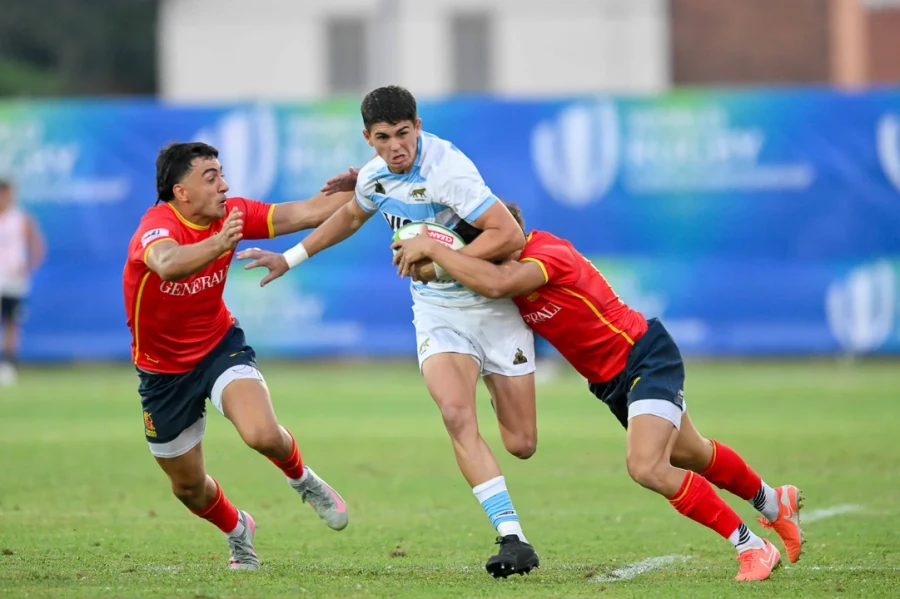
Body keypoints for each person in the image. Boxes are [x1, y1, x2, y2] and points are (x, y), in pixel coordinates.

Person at [390, 205, 804, 582]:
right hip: (611, 383)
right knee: (691, 452)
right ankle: (773, 500)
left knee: (647, 466)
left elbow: (497, 283)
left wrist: (434, 248)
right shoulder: (499, 268)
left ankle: (751, 546)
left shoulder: (544, 255)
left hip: (644, 356)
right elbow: (459, 277)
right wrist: (413, 253)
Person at [239, 86, 541, 578]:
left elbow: (510, 236)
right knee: (455, 413)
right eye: (384, 137)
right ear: (369, 138)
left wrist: (441, 256)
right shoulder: (377, 175)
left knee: (521, 442)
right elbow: (353, 215)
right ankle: (513, 537)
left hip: (491, 305)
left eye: (404, 134)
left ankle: (492, 383)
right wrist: (290, 257)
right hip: (437, 313)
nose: (396, 146)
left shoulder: (449, 170)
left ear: (418, 126)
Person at [123, 142, 352, 570]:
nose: (225, 185)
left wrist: (370, 186)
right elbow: (168, 264)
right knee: (188, 488)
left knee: (262, 434)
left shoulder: (232, 214)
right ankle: (237, 529)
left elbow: (306, 212)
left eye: (222, 174)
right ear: (181, 192)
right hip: (162, 375)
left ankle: (303, 480)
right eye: (211, 178)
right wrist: (219, 243)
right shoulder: (155, 227)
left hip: (218, 347)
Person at [0, 179, 46, 386]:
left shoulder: (21, 218)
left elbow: (37, 245)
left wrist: (27, 267)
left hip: (13, 282)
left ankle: (8, 365)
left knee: (11, 323)